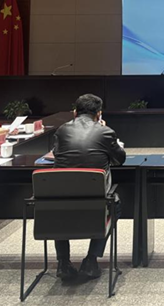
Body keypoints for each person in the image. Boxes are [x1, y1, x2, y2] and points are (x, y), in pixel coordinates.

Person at [52, 94, 126, 281]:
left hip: (60, 204)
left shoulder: (61, 130)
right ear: (99, 114)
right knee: (114, 205)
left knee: (57, 205)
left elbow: (56, 153)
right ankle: (91, 261)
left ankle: (63, 262)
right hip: (96, 204)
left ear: (74, 112)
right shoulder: (106, 131)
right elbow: (120, 159)